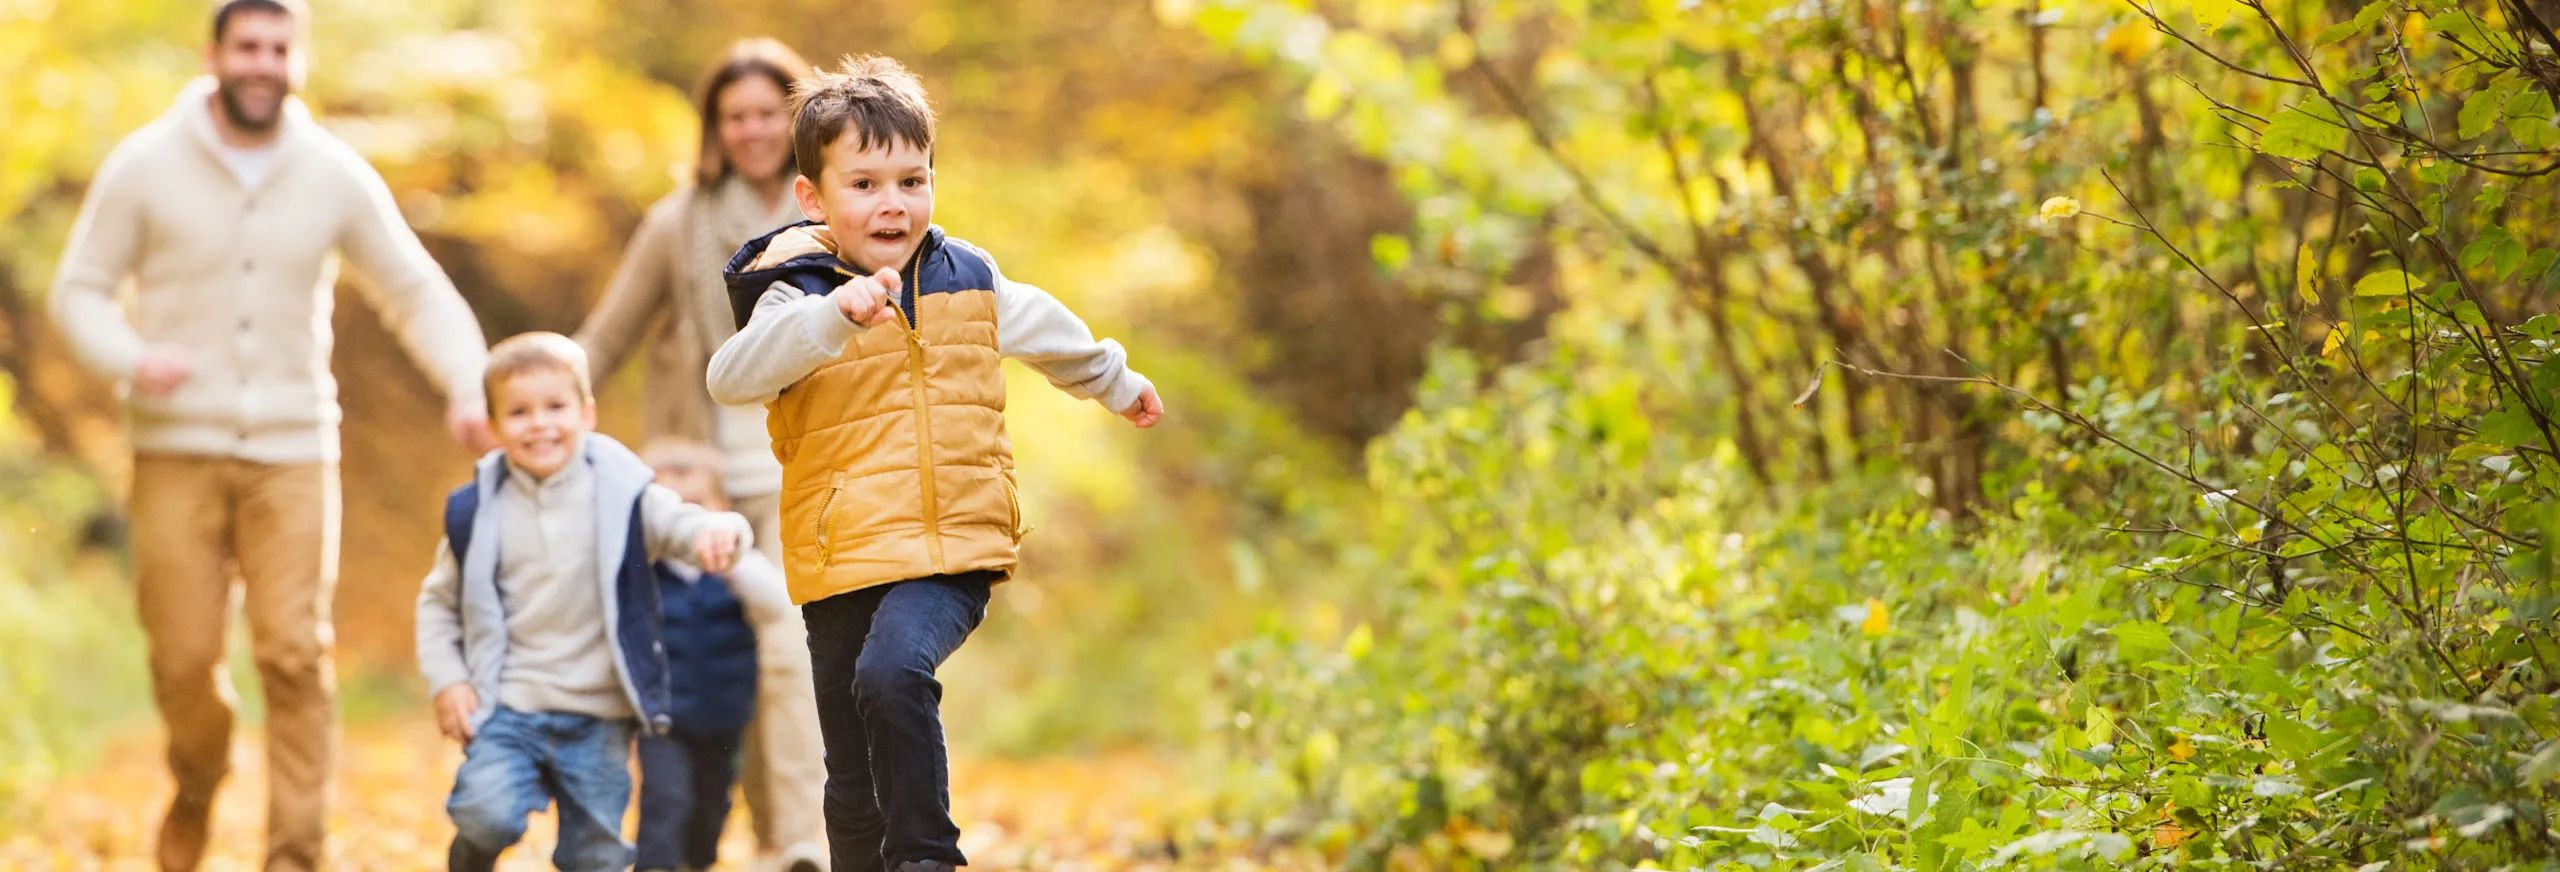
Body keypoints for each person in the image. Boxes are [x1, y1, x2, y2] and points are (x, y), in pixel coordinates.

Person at [47, 1, 493, 868]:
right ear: (213, 53)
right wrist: (131, 357)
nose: (262, 62)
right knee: (183, 660)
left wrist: (469, 384)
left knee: (293, 651)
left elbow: (413, 290)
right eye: (246, 45)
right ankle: (198, 780)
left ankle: (295, 853)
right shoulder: (145, 165)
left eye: (279, 48)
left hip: (293, 449)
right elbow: (80, 291)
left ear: (299, 60)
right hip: (174, 446)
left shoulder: (332, 173)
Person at [705, 55, 1166, 872]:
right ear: (814, 197)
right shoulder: (795, 291)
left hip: (951, 541)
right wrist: (828, 319)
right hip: (840, 553)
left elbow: (1046, 328)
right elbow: (733, 376)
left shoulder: (968, 278)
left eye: (913, 180)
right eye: (866, 183)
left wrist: (1113, 380)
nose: (894, 202)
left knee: (891, 672)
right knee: (850, 782)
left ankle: (928, 857)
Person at [573, 39, 828, 870]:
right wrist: (534, 403)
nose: (754, 130)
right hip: (699, 481)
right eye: (736, 116)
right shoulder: (678, 223)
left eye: (768, 112)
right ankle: (734, 835)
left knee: (790, 650)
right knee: (712, 668)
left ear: (796, 119)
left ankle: (800, 840)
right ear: (715, 128)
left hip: (806, 470)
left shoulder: (834, 213)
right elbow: (607, 337)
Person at [416, 332, 753, 872]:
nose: (540, 423)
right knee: (485, 814)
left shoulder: (623, 494)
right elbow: (437, 604)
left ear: (586, 413)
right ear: (495, 427)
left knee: (594, 855)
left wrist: (720, 530)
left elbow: (681, 522)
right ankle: (469, 856)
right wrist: (449, 680)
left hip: (597, 715)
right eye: (519, 412)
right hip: (508, 705)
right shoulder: (477, 511)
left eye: (556, 406)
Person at [634, 439, 797, 872]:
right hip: (662, 720)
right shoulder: (644, 572)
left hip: (724, 718)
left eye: (696, 506)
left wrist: (732, 561)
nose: (685, 522)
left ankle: (696, 862)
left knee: (709, 814)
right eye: (672, 509)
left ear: (722, 507)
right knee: (666, 802)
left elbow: (778, 606)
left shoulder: (740, 571)